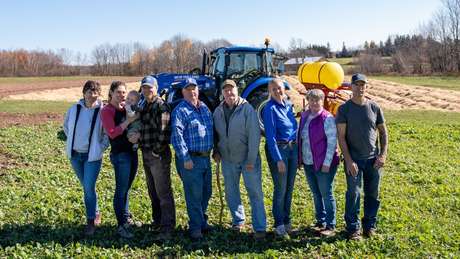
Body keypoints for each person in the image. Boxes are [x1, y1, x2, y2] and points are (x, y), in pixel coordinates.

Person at [336, 73, 388, 240]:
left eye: (363, 85)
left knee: (373, 193)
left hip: (373, 160)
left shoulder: (374, 107)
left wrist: (383, 154)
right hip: (354, 160)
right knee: (354, 193)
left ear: (367, 87)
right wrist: (349, 160)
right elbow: (341, 137)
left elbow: (383, 132)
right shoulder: (344, 109)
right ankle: (353, 228)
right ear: (351, 87)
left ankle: (369, 226)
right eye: (356, 85)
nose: (360, 88)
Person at [212, 79, 267, 240]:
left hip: (247, 160)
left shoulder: (247, 109)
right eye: (226, 90)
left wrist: (250, 160)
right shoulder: (218, 111)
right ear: (223, 93)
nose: (229, 93)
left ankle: (259, 227)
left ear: (237, 90)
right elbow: (215, 134)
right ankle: (238, 221)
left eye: (232, 89)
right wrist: (216, 150)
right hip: (228, 159)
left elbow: (254, 136)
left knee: (255, 193)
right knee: (231, 193)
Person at [63, 80, 108, 236]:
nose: (92, 93)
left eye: (95, 91)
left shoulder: (103, 111)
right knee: (87, 187)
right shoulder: (74, 109)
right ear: (84, 93)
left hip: (92, 157)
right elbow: (66, 127)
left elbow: (107, 133)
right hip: (75, 156)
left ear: (99, 93)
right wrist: (73, 142)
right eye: (89, 90)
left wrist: (101, 147)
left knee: (88, 188)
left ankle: (90, 222)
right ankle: (95, 212)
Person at [171, 78, 214, 241]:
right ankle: (195, 227)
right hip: (190, 159)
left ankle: (201, 220)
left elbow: (211, 130)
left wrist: (215, 150)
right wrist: (185, 157)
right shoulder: (180, 111)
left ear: (198, 90)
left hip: (205, 158)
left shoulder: (204, 108)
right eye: (188, 89)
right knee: (194, 194)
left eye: (194, 88)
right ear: (183, 92)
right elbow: (176, 135)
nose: (192, 92)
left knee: (206, 192)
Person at [297, 89, 339, 237]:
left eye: (318, 100)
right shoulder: (305, 116)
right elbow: (300, 139)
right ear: (308, 100)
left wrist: (327, 163)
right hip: (309, 162)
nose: (314, 102)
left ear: (322, 101)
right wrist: (300, 159)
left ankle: (330, 225)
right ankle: (320, 221)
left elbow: (332, 142)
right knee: (316, 193)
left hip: (323, 163)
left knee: (326, 193)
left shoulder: (327, 118)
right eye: (312, 100)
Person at [138, 76, 176, 241]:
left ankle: (167, 227)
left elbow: (164, 132)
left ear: (156, 88)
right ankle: (157, 221)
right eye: (144, 88)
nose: (147, 91)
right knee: (152, 190)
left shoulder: (161, 106)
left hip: (158, 155)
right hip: (146, 153)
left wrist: (155, 151)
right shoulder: (144, 105)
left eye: (150, 88)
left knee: (163, 192)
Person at [101, 81, 139, 239]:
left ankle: (126, 217)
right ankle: (121, 225)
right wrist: (128, 122)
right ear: (111, 93)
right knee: (121, 190)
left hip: (132, 153)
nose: (122, 95)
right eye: (118, 92)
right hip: (120, 155)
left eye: (124, 92)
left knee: (127, 188)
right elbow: (112, 132)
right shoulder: (107, 111)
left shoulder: (126, 108)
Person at [262, 78, 298, 239]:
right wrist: (278, 159)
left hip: (292, 149)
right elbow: (270, 137)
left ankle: (287, 220)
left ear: (284, 89)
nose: (278, 91)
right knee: (280, 189)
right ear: (270, 91)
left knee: (289, 188)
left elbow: (294, 128)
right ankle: (279, 224)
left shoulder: (289, 106)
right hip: (279, 150)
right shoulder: (269, 109)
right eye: (274, 89)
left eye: (280, 88)